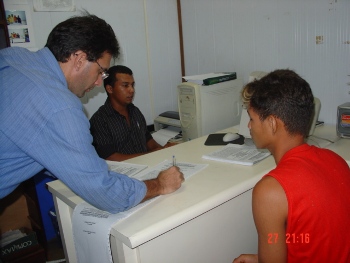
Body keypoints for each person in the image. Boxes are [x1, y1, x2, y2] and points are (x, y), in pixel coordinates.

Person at [0, 13, 184, 214]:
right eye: (101, 72)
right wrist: (160, 184)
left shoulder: (14, 57)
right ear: (78, 59)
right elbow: (106, 194)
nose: (98, 83)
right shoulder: (60, 106)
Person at [232, 69, 350, 263]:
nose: (249, 127)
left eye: (251, 119)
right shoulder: (336, 161)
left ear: (272, 124)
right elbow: (313, 239)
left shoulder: (270, 191)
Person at [90, 65, 164, 161]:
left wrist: (164, 150)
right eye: (125, 85)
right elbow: (111, 158)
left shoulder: (135, 111)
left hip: (148, 165)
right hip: (122, 174)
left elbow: (149, 141)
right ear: (110, 89)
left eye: (132, 85)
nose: (132, 90)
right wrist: (148, 156)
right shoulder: (100, 120)